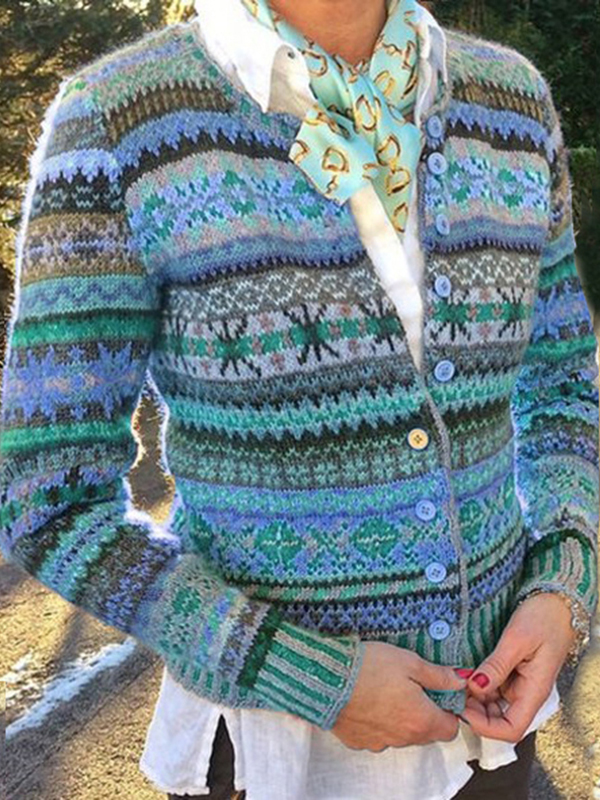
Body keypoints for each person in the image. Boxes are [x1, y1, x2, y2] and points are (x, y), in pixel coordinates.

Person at [0, 0, 597, 798]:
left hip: (492, 739)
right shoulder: (119, 124)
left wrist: (564, 583)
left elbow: (565, 387)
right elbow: (46, 497)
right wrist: (308, 675)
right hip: (272, 759)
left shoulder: (512, 104)